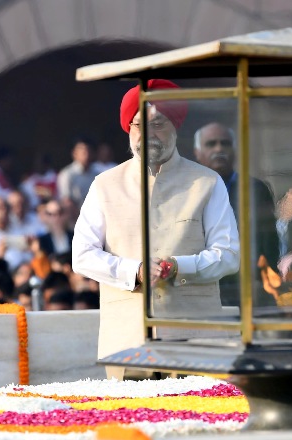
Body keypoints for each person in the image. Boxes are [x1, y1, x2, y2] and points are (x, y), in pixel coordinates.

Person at [72, 79, 240, 379]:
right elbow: (82, 255)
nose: (148, 133)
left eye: (158, 124)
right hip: (127, 339)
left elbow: (228, 255)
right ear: (129, 129)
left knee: (200, 408)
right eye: (138, 125)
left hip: (194, 337)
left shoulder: (206, 182)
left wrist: (179, 266)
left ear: (175, 127)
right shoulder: (104, 185)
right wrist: (133, 271)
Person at [193, 122, 279, 306]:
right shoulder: (189, 192)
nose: (219, 149)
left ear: (235, 150)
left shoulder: (255, 189)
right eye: (211, 144)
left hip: (248, 289)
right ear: (197, 153)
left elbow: (270, 244)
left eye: (225, 143)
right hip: (202, 287)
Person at [56, 138, 97, 209]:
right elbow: (66, 199)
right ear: (74, 154)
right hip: (74, 212)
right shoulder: (67, 174)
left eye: (88, 151)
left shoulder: (97, 174)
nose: (86, 155)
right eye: (83, 152)